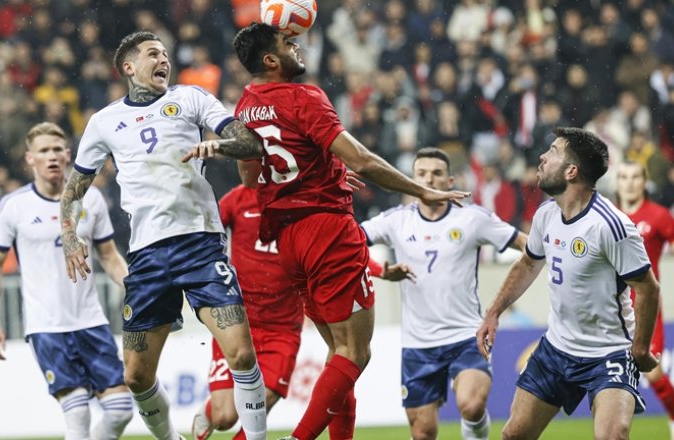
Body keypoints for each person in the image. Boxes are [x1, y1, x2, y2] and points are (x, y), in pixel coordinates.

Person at [183, 23, 469, 440]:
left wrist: (328, 170)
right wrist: (421, 189)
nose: (297, 46)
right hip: (328, 230)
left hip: (288, 240)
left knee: (338, 353)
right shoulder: (304, 97)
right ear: (271, 60)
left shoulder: (244, 106)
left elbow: (250, 178)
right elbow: (365, 161)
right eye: (288, 43)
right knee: (355, 352)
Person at [61, 31, 268, 440]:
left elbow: (251, 144)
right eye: (153, 54)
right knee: (136, 376)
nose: (163, 61)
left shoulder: (192, 99)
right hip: (148, 255)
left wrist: (219, 147)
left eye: (165, 55)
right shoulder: (103, 122)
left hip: (200, 242)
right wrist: (70, 236)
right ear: (129, 67)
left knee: (241, 352)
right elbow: (72, 193)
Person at [477, 127, 661, 440]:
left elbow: (648, 288)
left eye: (551, 152)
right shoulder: (546, 213)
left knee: (611, 437)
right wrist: (494, 311)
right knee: (513, 435)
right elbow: (528, 263)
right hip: (556, 349)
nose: (542, 157)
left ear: (571, 171)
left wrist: (640, 348)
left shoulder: (611, 226)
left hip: (609, 353)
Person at [361, 147, 527, 440]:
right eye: (421, 174)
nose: (429, 180)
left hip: (465, 336)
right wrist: (380, 271)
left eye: (437, 174)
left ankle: (475, 432)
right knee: (423, 432)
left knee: (472, 405)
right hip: (418, 343)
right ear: (409, 180)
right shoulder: (396, 221)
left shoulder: (472, 218)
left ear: (450, 181)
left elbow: (525, 244)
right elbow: (348, 240)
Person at [0, 122, 133, 440]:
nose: (51, 156)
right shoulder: (14, 206)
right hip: (47, 326)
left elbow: (109, 256)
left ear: (68, 155)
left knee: (120, 410)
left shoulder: (91, 200)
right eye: (43, 151)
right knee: (77, 415)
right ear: (30, 159)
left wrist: (135, 288)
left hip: (91, 320)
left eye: (56, 150)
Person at [191, 170, 304, 440]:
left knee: (255, 411)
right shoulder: (237, 200)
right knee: (224, 417)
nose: (242, 167)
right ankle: (208, 411)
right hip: (238, 321)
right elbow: (205, 233)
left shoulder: (299, 201)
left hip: (283, 329)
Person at [615, 161, 674, 440]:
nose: (629, 182)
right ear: (617, 182)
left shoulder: (658, 216)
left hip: (646, 308)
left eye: (635, 177)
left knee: (654, 374)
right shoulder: (607, 215)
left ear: (644, 181)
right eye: (623, 177)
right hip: (611, 309)